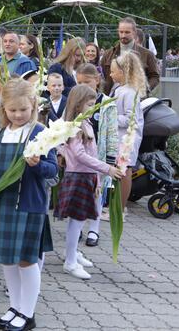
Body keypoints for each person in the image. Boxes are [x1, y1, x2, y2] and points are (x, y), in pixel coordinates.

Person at [0, 78, 58, 331]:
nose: (18, 114)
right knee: (7, 260)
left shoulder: (40, 133)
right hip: (4, 205)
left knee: (25, 260)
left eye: (23, 109)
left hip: (28, 206)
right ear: (4, 109)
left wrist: (37, 165)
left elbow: (53, 170)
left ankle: (28, 313)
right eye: (12, 110)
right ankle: (14, 307)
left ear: (33, 105)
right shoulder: (2, 132)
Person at [55, 85, 122, 280]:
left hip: (87, 176)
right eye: (90, 104)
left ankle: (73, 252)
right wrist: (106, 168)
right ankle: (70, 261)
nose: (93, 108)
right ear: (78, 105)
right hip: (78, 177)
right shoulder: (76, 126)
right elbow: (80, 154)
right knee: (76, 221)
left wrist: (97, 178)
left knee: (79, 220)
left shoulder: (85, 123)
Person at [75, 64, 119, 243]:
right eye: (79, 82)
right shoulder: (75, 101)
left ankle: (94, 228)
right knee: (78, 193)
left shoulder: (107, 104)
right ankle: (76, 227)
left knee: (97, 193)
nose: (83, 86)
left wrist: (110, 159)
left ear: (97, 80)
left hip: (98, 156)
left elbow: (112, 132)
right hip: (78, 157)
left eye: (87, 82)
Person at [109, 52, 145, 211]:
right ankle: (115, 206)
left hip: (127, 139)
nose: (110, 74)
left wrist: (111, 119)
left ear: (123, 72)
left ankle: (120, 208)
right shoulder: (120, 89)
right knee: (120, 171)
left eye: (113, 71)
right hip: (120, 138)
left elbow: (131, 119)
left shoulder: (129, 92)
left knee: (124, 171)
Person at [101, 17, 160, 95]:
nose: (123, 35)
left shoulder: (147, 54)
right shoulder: (108, 54)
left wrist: (143, 90)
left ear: (134, 32)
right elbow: (102, 76)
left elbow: (155, 77)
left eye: (127, 32)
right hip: (111, 99)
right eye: (121, 32)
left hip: (137, 100)